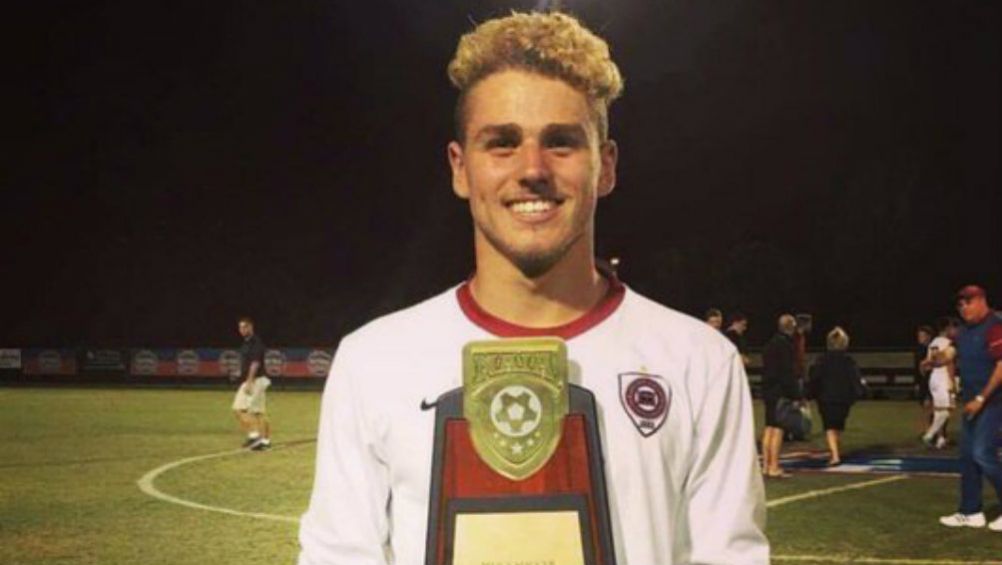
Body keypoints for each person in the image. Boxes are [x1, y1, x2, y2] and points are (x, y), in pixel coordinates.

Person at [297, 11, 767, 564]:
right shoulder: (372, 362)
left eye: (562, 142)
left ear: (606, 166)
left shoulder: (699, 363)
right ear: (460, 168)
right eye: (502, 143)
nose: (532, 169)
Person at [939, 285, 1002, 531]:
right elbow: (950, 353)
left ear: (982, 300)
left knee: (983, 454)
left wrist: (981, 398)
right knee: (967, 457)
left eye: (969, 302)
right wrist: (934, 360)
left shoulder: (995, 326)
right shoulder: (963, 331)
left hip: (993, 401)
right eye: (960, 304)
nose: (964, 308)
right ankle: (970, 511)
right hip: (971, 403)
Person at [807, 327, 862, 466]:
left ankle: (835, 454)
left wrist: (810, 394)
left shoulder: (821, 360)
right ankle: (835, 451)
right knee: (836, 425)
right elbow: (855, 379)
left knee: (830, 427)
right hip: (843, 399)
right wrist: (856, 394)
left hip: (826, 398)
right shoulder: (849, 361)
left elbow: (815, 379)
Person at [761, 313, 799, 478]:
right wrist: (795, 395)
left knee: (769, 427)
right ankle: (774, 466)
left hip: (768, 390)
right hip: (780, 391)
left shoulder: (770, 344)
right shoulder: (786, 345)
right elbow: (787, 373)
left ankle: (765, 465)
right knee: (778, 428)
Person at [232, 316, 272, 451]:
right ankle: (265, 441)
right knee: (257, 412)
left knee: (241, 409)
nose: (242, 330)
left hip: (255, 380)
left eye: (245, 327)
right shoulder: (246, 344)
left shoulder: (256, 343)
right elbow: (248, 362)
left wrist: (249, 381)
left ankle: (255, 437)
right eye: (240, 327)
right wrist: (240, 373)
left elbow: (255, 363)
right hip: (253, 380)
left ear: (251, 327)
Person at [920, 317, 957, 449]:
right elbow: (948, 363)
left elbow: (927, 363)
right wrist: (952, 382)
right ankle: (929, 434)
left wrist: (926, 364)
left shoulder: (933, 342)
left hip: (934, 377)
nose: (955, 331)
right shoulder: (948, 343)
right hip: (943, 376)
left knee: (939, 410)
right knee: (947, 410)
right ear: (948, 328)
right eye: (953, 328)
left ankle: (940, 439)